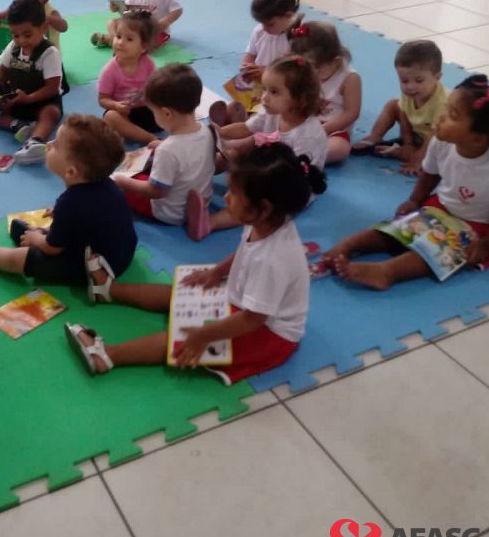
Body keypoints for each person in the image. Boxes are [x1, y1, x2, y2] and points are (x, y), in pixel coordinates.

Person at [64, 143, 312, 384]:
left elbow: (253, 319)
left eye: (234, 194)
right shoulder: (265, 221)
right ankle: (110, 291)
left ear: (264, 208)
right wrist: (218, 271)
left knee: (183, 337)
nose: (226, 198)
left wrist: (204, 334)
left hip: (269, 333)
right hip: (244, 301)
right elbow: (245, 251)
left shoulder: (273, 260)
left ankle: (108, 356)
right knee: (181, 292)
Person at [324, 75, 489, 290]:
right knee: (397, 230)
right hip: (439, 208)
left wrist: (487, 244)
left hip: (478, 226)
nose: (441, 116)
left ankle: (387, 272)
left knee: (436, 251)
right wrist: (415, 200)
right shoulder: (440, 142)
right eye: (446, 108)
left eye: (452, 115)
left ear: (478, 139)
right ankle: (348, 245)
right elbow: (430, 174)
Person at [0, 115, 137, 286]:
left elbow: (53, 249)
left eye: (56, 145)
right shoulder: (108, 185)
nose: (48, 144)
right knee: (26, 231)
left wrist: (37, 240)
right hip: (119, 257)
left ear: (71, 171)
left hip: (93, 270)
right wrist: (58, 217)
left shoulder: (70, 203)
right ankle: (36, 236)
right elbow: (91, 215)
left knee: (22, 258)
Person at [191, 55, 327, 238]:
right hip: (269, 163)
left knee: (252, 202)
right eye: (264, 89)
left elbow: (293, 179)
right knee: (232, 154)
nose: (264, 97)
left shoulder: (309, 135)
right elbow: (246, 128)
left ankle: (210, 223)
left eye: (274, 92)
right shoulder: (273, 111)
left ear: (298, 98)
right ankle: (194, 177)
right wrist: (220, 133)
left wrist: (250, 179)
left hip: (292, 185)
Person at [113, 64, 215, 229]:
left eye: (153, 112)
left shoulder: (168, 150)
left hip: (170, 212)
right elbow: (189, 155)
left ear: (167, 113)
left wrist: (123, 182)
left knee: (121, 181)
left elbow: (156, 191)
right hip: (202, 201)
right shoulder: (206, 130)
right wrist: (161, 145)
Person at [0, 0, 63, 164]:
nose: (21, 41)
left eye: (27, 35)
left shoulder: (49, 53)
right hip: (16, 100)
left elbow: (52, 87)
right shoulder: (14, 48)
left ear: (43, 27)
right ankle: (17, 125)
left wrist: (29, 98)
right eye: (15, 35)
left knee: (50, 113)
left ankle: (35, 141)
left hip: (42, 101)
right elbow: (3, 70)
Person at [353, 40, 448, 175]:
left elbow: (435, 135)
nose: (410, 86)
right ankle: (375, 137)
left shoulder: (442, 102)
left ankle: (403, 153)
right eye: (404, 80)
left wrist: (417, 159)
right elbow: (404, 115)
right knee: (393, 104)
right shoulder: (411, 92)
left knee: (438, 160)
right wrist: (408, 142)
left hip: (436, 142)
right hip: (416, 134)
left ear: (437, 77)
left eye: (419, 80)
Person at [288, 21, 362, 164]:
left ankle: (301, 158)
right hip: (303, 123)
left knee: (340, 149)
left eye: (316, 68)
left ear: (336, 61)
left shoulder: (350, 78)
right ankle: (293, 153)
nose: (311, 73)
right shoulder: (306, 70)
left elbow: (351, 113)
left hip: (333, 129)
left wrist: (323, 130)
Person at [98, 9, 159, 144]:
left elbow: (155, 86)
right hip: (125, 114)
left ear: (143, 47)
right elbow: (102, 99)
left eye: (129, 39)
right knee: (110, 116)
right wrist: (116, 105)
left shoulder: (148, 63)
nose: (120, 42)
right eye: (118, 36)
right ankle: (150, 138)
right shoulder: (110, 71)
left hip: (147, 110)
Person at [240, 0, 302, 80]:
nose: (264, 28)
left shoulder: (298, 39)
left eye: (270, 24)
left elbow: (297, 73)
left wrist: (266, 71)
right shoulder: (259, 31)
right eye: (261, 23)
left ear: (288, 16)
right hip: (260, 83)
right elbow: (251, 53)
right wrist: (246, 67)